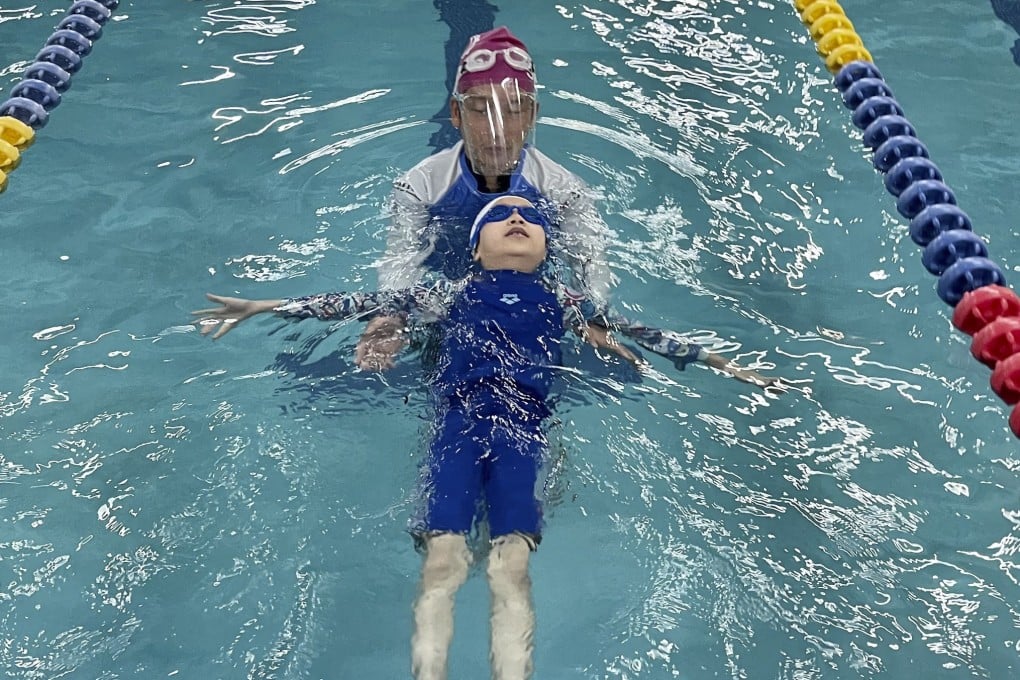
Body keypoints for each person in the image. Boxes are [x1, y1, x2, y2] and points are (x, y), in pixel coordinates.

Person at [193, 195, 781, 680]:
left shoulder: (567, 301)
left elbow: (646, 334)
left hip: (525, 434)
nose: (518, 219)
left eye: (530, 217)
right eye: (500, 216)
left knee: (510, 566)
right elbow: (356, 303)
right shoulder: (444, 295)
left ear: (549, 247)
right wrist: (264, 305)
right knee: (443, 563)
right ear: (476, 247)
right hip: (456, 427)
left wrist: (728, 367)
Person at [358, 25, 614, 373]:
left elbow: (589, 263)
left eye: (514, 109)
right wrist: (391, 317)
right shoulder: (419, 187)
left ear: (533, 114)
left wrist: (594, 316)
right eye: (481, 109)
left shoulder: (565, 191)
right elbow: (399, 259)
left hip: (530, 305)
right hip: (443, 308)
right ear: (456, 113)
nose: (499, 128)